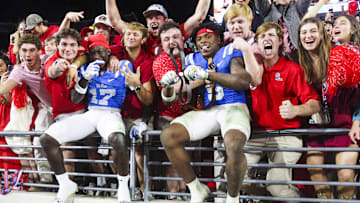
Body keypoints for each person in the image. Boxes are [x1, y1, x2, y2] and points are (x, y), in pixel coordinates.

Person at [159, 21, 257, 203]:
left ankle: (232, 197)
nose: (203, 41)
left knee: (234, 146)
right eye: (198, 39)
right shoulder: (193, 60)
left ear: (218, 39)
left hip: (233, 106)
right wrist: (166, 86)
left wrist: (208, 75)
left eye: (208, 36)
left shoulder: (229, 53)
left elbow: (243, 81)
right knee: (169, 136)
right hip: (209, 111)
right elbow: (171, 97)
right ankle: (196, 188)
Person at [39, 34, 131, 203]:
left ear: (108, 51)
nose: (97, 55)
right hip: (90, 113)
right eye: (93, 52)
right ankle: (65, 184)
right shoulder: (85, 68)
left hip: (111, 113)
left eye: (101, 51)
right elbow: (75, 98)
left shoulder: (122, 65)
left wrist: (135, 83)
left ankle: (123, 186)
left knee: (117, 139)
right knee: (47, 139)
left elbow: (136, 90)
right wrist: (85, 79)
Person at [243, 22, 321, 200]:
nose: (267, 39)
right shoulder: (251, 70)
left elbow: (315, 104)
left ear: (279, 41)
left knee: (277, 187)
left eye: (271, 36)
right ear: (256, 44)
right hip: (257, 135)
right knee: (235, 178)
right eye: (262, 36)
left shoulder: (292, 69)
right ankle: (267, 199)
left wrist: (296, 109)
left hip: (287, 135)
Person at [299, 16, 360, 200]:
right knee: (316, 172)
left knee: (346, 175)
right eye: (304, 33)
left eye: (313, 31)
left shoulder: (343, 54)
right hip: (316, 127)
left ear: (323, 34)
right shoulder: (300, 62)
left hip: (344, 123)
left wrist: (358, 119)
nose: (308, 36)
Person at [0, 34, 54, 185]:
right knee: (38, 144)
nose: (27, 54)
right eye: (24, 50)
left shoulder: (48, 60)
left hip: (68, 108)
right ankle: (45, 182)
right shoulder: (19, 70)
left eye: (31, 50)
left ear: (39, 51)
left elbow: (76, 50)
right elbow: (3, 89)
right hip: (48, 109)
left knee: (70, 147)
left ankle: (79, 182)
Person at [111, 21, 156, 198]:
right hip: (117, 113)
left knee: (139, 153)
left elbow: (149, 99)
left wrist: (136, 85)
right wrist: (112, 59)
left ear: (143, 39)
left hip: (141, 115)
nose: (130, 37)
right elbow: (96, 53)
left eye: (135, 34)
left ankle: (146, 191)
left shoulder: (146, 61)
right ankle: (126, 188)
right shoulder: (115, 52)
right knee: (113, 152)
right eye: (128, 34)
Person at [106, 0, 211, 56]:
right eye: (150, 18)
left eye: (157, 17)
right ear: (146, 23)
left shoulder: (176, 33)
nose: (153, 21)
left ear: (166, 20)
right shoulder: (143, 37)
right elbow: (115, 22)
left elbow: (199, 16)